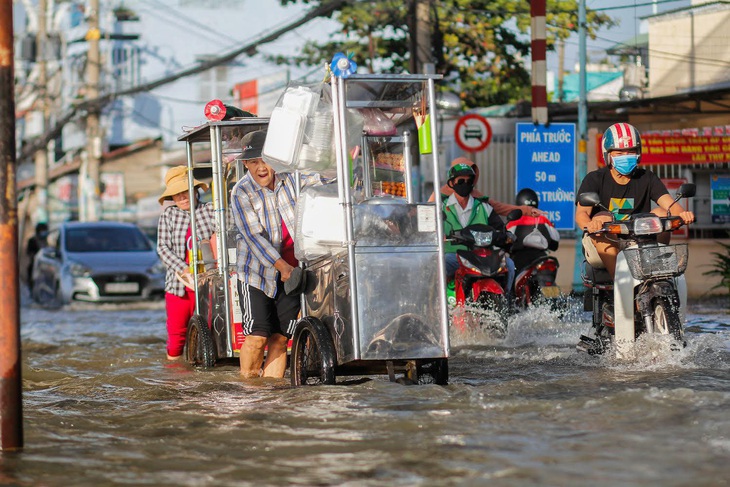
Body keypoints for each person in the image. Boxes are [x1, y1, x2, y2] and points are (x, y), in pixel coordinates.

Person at [231, 130, 322, 379]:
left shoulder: (292, 179)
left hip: (294, 272)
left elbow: (322, 182)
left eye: (265, 160)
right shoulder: (241, 192)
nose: (261, 168)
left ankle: (271, 396)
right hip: (256, 273)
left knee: (280, 339)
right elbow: (253, 237)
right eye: (253, 162)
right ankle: (249, 388)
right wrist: (281, 266)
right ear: (246, 165)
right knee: (257, 336)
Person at [575, 122, 695, 279]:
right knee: (602, 216)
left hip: (642, 241)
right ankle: (619, 281)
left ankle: (658, 274)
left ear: (638, 153)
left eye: (630, 151)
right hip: (603, 241)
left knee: (661, 214)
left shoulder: (647, 178)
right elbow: (582, 213)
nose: (626, 156)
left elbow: (670, 205)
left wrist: (683, 214)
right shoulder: (594, 179)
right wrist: (591, 224)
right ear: (607, 155)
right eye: (619, 153)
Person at [156, 165, 215, 361]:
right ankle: (175, 381)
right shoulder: (169, 216)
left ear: (195, 190)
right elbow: (163, 248)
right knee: (176, 340)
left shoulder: (210, 210)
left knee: (208, 336)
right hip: (178, 287)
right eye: (176, 195)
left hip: (208, 285)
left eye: (185, 192)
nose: (181, 198)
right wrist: (183, 271)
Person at [442, 162, 516, 294]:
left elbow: (500, 228)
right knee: (439, 264)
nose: (465, 183)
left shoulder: (484, 207)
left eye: (468, 180)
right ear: (451, 183)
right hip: (454, 256)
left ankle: (507, 302)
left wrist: (507, 235)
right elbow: (429, 230)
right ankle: (435, 304)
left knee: (509, 264)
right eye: (461, 181)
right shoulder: (441, 208)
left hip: (482, 257)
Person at [506, 188, 560, 273]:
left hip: (519, 259)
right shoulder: (543, 219)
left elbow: (505, 240)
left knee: (510, 280)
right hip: (541, 258)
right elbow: (555, 242)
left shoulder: (513, 221)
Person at [26, 222, 48, 290]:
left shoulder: (47, 240)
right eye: (42, 230)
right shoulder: (32, 240)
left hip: (46, 266)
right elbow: (29, 252)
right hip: (35, 264)